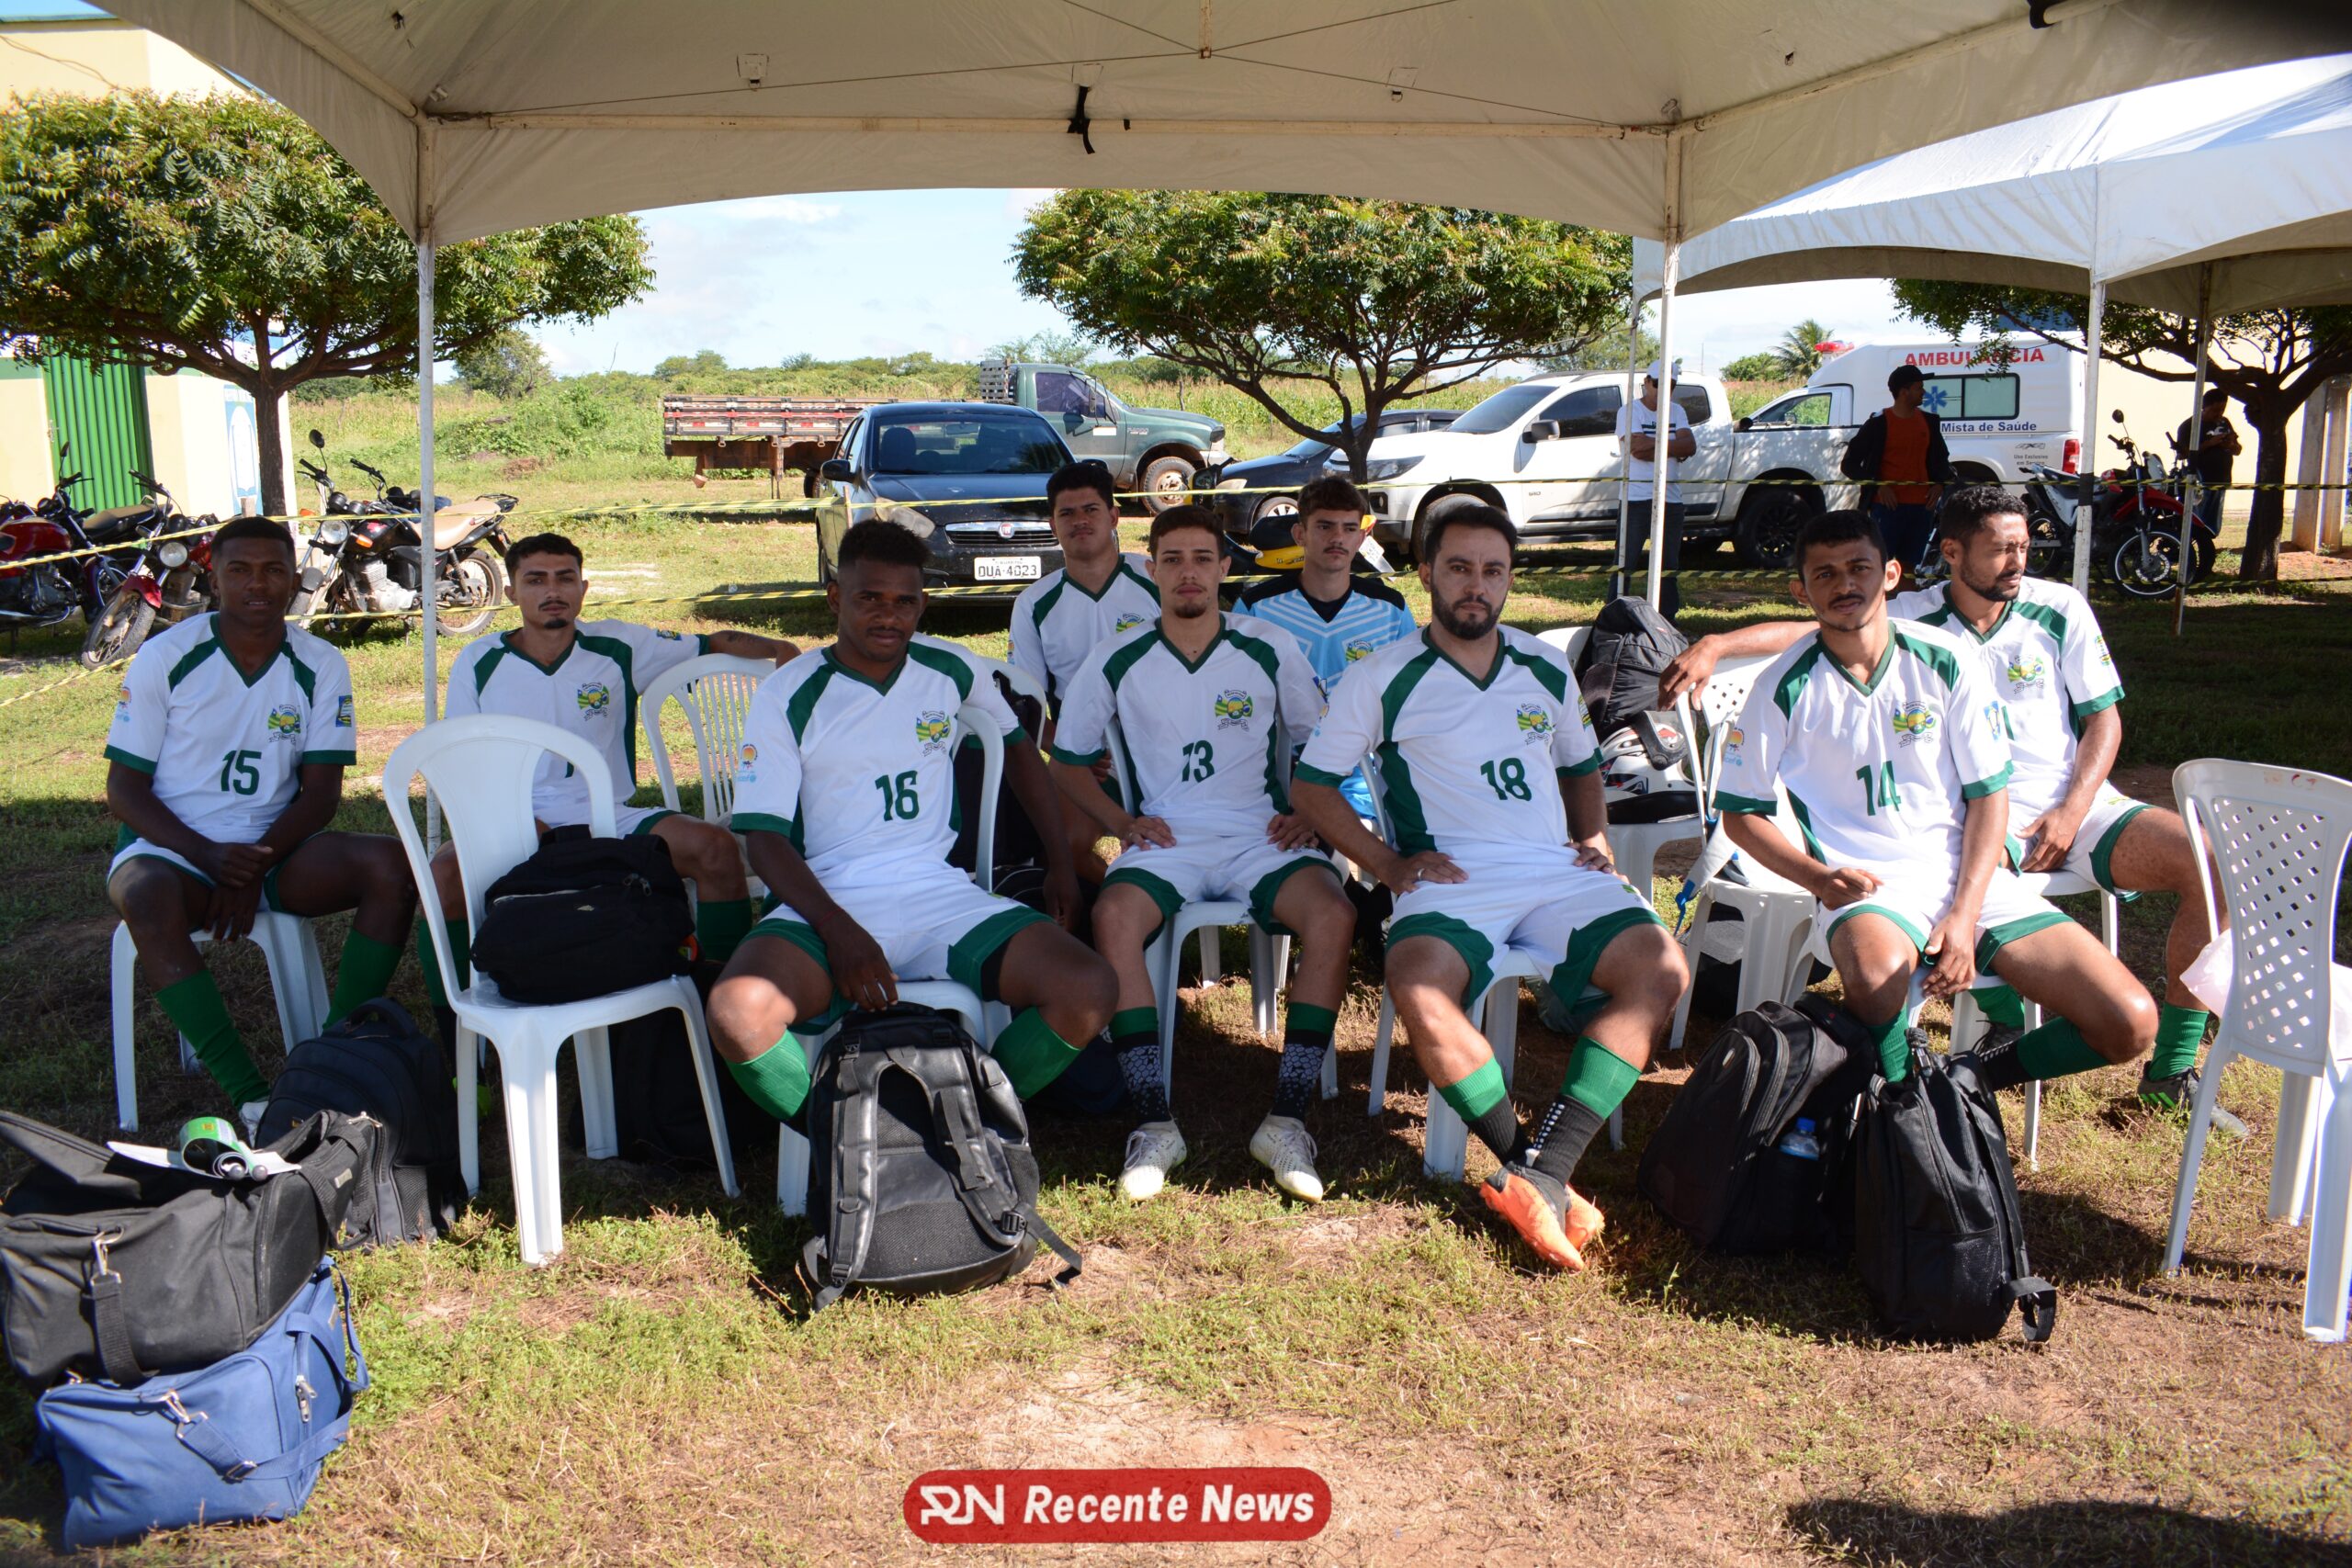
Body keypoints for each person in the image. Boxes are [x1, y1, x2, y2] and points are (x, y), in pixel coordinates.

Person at [1664, 486, 2230, 1121]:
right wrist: (1717, 644)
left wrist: (1970, 910)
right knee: (1877, 977)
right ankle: (1908, 1102)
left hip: (2011, 840)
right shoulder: (1812, 669)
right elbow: (1746, 802)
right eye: (1999, 549)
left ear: (1889, 575)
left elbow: (2020, 774)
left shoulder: (1988, 639)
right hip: (1902, 872)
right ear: (1953, 554)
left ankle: (1971, 1077)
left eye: (2023, 546)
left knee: (2131, 1016)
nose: (2015, 561)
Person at [1291, 503, 1689, 1271]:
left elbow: (1580, 765)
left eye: (1493, 570)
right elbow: (1312, 787)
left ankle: (1541, 1172)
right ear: (1426, 574)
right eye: (1459, 568)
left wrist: (1594, 837)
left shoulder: (1543, 664)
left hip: (1553, 867)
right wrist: (1390, 865)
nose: (1476, 585)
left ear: (1509, 579)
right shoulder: (1382, 676)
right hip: (1453, 873)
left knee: (1662, 968)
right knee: (1418, 982)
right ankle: (1528, 1162)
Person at [704, 519, 1116, 1129]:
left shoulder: (951, 667)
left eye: (904, 601)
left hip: (936, 891)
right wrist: (838, 930)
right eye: (869, 598)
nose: (888, 616)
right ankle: (841, 1138)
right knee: (737, 1013)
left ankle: (967, 1127)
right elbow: (763, 840)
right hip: (826, 897)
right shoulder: (789, 692)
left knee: (1088, 987)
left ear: (923, 604)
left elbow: (1019, 748)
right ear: (836, 598)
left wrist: (1059, 862)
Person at [1049, 503, 1353, 1203]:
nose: (1188, 573)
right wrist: (1122, 821)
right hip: (1169, 836)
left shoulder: (1269, 644)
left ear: (1223, 568)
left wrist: (1307, 813)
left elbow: (1325, 743)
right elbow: (1065, 761)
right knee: (1114, 916)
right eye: (1173, 560)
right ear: (1150, 569)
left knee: (1335, 914)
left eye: (1202, 559)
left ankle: (1287, 1119)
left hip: (1259, 832)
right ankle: (1154, 1122)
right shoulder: (1117, 655)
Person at [104, 517, 418, 1114]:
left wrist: (251, 864)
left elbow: (321, 795)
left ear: (295, 580)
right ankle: (251, 1097)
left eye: (274, 570)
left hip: (277, 852)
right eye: (240, 570)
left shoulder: (321, 663)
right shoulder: (165, 656)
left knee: (393, 866)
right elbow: (124, 790)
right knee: (144, 896)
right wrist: (209, 857)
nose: (258, 584)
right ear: (214, 579)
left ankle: (332, 1058)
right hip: (175, 853)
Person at [433, 534, 797, 998]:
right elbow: (459, 763)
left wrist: (780, 648)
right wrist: (513, 822)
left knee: (715, 848)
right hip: (518, 820)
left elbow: (712, 643)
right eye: (536, 580)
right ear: (511, 593)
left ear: (583, 589)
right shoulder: (479, 660)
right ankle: (455, 1016)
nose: (552, 591)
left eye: (565, 579)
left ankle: (720, 997)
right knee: (442, 876)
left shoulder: (619, 644)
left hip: (610, 815)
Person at [1230, 474, 1417, 822]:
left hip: (1366, 776)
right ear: (1300, 534)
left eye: (1349, 528)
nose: (1337, 538)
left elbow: (1410, 702)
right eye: (1325, 526)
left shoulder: (1390, 609)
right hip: (1279, 777)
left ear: (1361, 537)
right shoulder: (1256, 608)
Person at [1008, 462, 1160, 885]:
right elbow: (1024, 706)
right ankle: (1119, 901)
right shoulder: (1034, 603)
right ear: (1053, 525)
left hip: (1165, 748)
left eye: (1091, 510)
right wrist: (1069, 751)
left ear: (1114, 516)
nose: (1080, 521)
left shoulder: (1155, 577)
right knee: (1063, 846)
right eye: (1067, 513)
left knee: (1182, 840)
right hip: (1090, 759)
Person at [1839, 365, 1953, 577]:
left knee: (1908, 568)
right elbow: (1849, 465)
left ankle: (1905, 598)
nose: (1924, 392)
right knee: (1880, 565)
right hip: (1887, 508)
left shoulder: (1929, 422)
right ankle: (1878, 598)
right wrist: (1878, 486)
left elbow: (1941, 460)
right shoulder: (1878, 423)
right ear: (1904, 392)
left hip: (1922, 507)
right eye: (1919, 388)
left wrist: (1939, 483)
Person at [1615, 360, 1696, 618]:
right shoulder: (1629, 411)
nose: (1664, 390)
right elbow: (1637, 449)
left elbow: (1690, 446)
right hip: (1636, 499)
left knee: (1668, 565)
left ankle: (1667, 621)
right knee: (1624, 564)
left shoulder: (1677, 411)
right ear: (1647, 383)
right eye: (1659, 384)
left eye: (1670, 385)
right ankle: (1615, 617)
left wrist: (1653, 445)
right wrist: (1673, 446)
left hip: (1670, 500)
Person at [2172, 388, 2240, 535]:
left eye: (2222, 410)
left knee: (2212, 526)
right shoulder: (2189, 426)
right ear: (2204, 407)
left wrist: (2230, 445)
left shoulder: (2224, 423)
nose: (2219, 414)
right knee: (2196, 522)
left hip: (2221, 480)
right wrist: (2210, 443)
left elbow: (2238, 449)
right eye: (2215, 410)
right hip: (2200, 483)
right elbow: (2183, 454)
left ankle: (2207, 543)